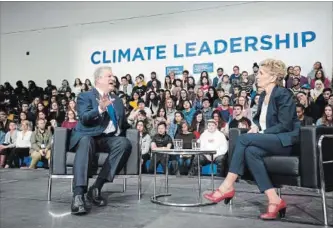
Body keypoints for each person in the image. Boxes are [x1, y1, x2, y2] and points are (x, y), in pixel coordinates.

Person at [204, 59, 300, 220]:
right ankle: (274, 199)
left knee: (243, 140)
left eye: (261, 73)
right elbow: (260, 120)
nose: (257, 76)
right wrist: (256, 127)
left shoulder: (283, 93)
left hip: (284, 140)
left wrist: (261, 132)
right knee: (250, 152)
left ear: (272, 77)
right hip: (270, 138)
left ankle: (226, 186)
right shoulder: (263, 96)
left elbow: (285, 125)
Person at [69, 66, 132, 215]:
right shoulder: (85, 96)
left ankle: (96, 187)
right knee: (85, 141)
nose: (113, 78)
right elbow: (84, 118)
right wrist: (100, 109)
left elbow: (122, 124)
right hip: (88, 135)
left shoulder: (116, 100)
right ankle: (78, 194)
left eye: (113, 76)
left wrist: (133, 124)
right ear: (98, 79)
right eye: (109, 76)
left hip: (107, 139)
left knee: (124, 143)